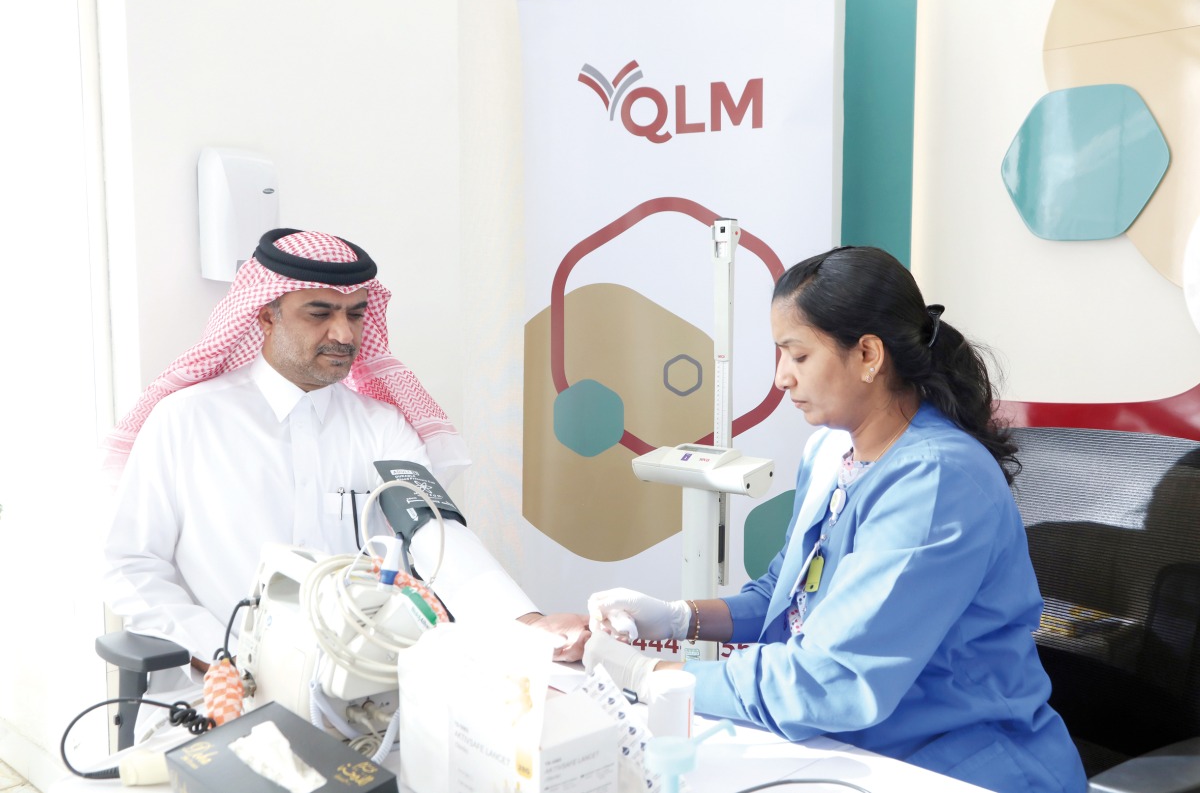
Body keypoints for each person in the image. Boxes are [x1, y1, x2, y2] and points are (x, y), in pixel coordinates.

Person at [584, 246, 1087, 793]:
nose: (781, 378)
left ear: (869, 354)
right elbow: (789, 593)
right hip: (848, 747)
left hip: (960, 765)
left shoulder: (937, 480)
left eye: (797, 356)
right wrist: (675, 619)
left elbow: (828, 681)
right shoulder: (830, 452)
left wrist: (644, 676)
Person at [103, 228, 588, 699]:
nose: (343, 333)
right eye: (320, 313)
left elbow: (435, 536)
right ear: (267, 316)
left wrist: (526, 623)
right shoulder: (188, 419)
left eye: (356, 315)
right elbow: (131, 564)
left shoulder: (381, 426)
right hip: (222, 691)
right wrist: (220, 655)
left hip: (364, 688)